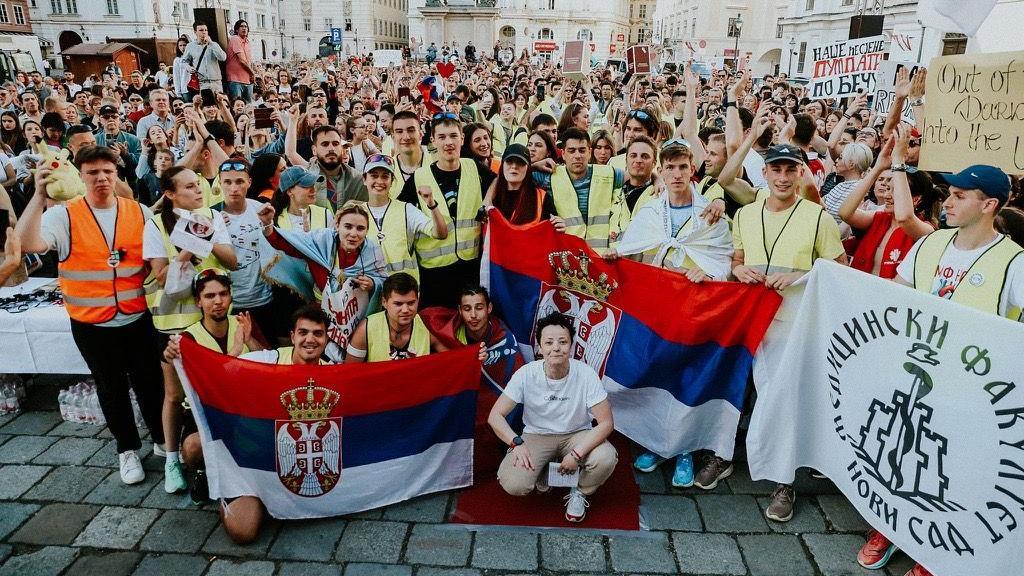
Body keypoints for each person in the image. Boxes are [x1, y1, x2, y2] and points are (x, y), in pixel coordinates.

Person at [15, 145, 166, 486]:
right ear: (81, 177)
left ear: (117, 174)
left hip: (137, 317)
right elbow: (27, 244)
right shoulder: (64, 215)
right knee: (111, 388)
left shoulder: (138, 211)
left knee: (150, 383)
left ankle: (161, 437)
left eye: (107, 171)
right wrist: (38, 196)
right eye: (93, 172)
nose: (101, 178)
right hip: (91, 323)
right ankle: (127, 448)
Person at [729, 142, 847, 522]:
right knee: (740, 391)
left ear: (800, 173)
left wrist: (800, 276)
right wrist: (738, 269)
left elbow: (839, 269)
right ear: (764, 173)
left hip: (793, 324)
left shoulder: (817, 217)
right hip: (751, 320)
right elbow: (736, 258)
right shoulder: (745, 214)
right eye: (776, 170)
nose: (782, 177)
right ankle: (723, 456)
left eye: (790, 170)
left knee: (783, 399)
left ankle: (784, 482)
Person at [143, 165, 237, 494]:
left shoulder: (212, 216)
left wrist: (207, 239)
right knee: (174, 394)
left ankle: (219, 450)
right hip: (174, 324)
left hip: (214, 321)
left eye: (198, 184)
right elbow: (159, 276)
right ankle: (172, 459)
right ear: (170, 194)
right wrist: (186, 250)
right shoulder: (156, 224)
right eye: (189, 187)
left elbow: (232, 261)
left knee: (218, 389)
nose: (198, 190)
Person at [488, 312, 618, 523]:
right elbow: (495, 416)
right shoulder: (526, 374)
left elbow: (606, 423)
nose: (556, 348)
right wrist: (516, 442)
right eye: (548, 342)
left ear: (571, 346)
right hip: (537, 435)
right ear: (539, 347)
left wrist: (576, 454)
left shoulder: (586, 374)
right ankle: (544, 470)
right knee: (514, 483)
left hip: (577, 433)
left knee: (606, 457)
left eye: (562, 342)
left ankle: (580, 492)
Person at [161, 269, 263, 503]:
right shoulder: (188, 339)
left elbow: (268, 362)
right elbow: (207, 384)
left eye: (223, 294)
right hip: (206, 413)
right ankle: (202, 470)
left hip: (242, 408)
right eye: (209, 296)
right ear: (198, 301)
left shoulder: (242, 323)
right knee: (193, 447)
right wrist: (235, 351)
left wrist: (249, 340)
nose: (218, 301)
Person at [260, 199, 387, 361]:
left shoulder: (372, 251)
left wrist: (373, 284)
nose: (354, 234)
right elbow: (288, 244)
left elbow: (383, 282)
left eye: (360, 228)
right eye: (348, 226)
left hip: (357, 322)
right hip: (322, 316)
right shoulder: (321, 240)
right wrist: (268, 225)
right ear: (337, 226)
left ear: (367, 231)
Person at [397, 113, 493, 308]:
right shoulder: (419, 177)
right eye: (442, 137)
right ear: (433, 140)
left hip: (469, 267)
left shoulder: (473, 167)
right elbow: (397, 211)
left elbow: (499, 180)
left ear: (462, 139)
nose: (448, 142)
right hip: (435, 273)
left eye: (453, 136)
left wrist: (487, 200)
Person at [839, 131, 934, 279]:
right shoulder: (879, 218)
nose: (887, 196)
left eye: (896, 191)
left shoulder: (926, 229)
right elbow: (845, 213)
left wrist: (898, 160)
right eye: (888, 189)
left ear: (916, 199)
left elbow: (905, 218)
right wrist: (878, 168)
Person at [533, 127, 626, 255]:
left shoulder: (609, 173)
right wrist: (534, 165)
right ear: (563, 154)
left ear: (590, 152)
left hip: (601, 257)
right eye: (571, 151)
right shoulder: (548, 177)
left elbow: (638, 177)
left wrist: (654, 178)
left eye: (582, 150)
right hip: (567, 258)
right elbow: (512, 175)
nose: (577, 156)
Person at [216, 159, 279, 341]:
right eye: (227, 182)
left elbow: (276, 250)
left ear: (249, 182)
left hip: (264, 299)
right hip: (230, 303)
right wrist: (213, 231)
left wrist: (268, 225)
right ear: (220, 183)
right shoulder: (213, 215)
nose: (234, 188)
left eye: (239, 182)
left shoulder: (260, 209)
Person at [363, 154, 447, 281]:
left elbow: (440, 233)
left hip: (404, 289)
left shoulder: (406, 209)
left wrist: (432, 204)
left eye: (385, 176)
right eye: (374, 176)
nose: (379, 181)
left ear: (392, 181)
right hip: (370, 289)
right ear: (364, 179)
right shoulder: (357, 212)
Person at [346, 272, 447, 362]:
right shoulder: (366, 329)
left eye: (411, 303)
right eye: (398, 304)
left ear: (418, 300)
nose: (405, 310)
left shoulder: (428, 326)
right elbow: (351, 372)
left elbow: (451, 361)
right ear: (384, 302)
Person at [484, 143, 557, 226]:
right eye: (509, 161)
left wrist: (559, 225)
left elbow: (553, 228)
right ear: (502, 165)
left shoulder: (542, 198)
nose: (514, 166)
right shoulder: (490, 196)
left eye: (521, 162)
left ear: (528, 168)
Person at [273, 166, 334, 231]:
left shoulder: (325, 214)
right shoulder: (275, 221)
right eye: (306, 185)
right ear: (290, 191)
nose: (313, 190)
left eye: (313, 184)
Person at [182, 22, 227, 97]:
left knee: (219, 102)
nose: (204, 32)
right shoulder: (190, 46)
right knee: (206, 103)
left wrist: (211, 43)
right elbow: (183, 61)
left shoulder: (213, 44)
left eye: (206, 30)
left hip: (216, 82)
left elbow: (223, 58)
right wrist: (188, 68)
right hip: (202, 83)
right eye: (201, 30)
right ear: (195, 32)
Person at [226, 20, 255, 103]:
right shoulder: (235, 39)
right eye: (241, 26)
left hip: (247, 80)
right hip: (236, 80)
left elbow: (249, 61)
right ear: (236, 29)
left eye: (246, 26)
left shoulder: (247, 42)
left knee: (248, 106)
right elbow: (242, 60)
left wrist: (251, 74)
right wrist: (252, 73)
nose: (244, 28)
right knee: (237, 105)